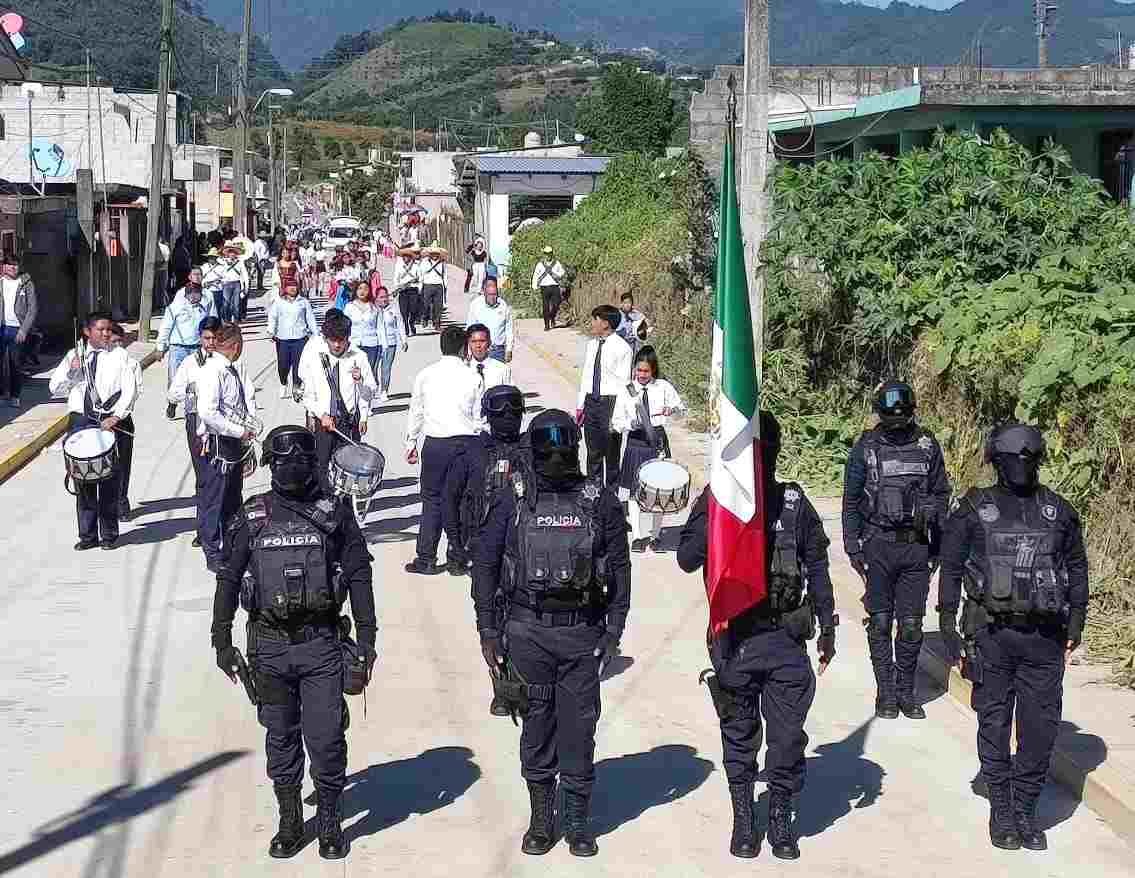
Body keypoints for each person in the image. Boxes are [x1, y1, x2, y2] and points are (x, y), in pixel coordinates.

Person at [211, 424, 377, 861]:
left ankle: (328, 822)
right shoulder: (253, 515)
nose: (293, 469)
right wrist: (220, 638)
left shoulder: (335, 513)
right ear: (269, 465)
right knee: (280, 737)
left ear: (315, 464)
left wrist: (368, 638)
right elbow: (229, 578)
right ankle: (289, 819)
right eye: (283, 462)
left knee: (325, 740)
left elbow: (359, 575)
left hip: (321, 643)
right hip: (269, 647)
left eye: (302, 461)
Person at [677, 411, 837, 860]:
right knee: (740, 736)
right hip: (735, 641)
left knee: (786, 740)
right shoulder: (718, 500)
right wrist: (716, 514)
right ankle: (744, 817)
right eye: (752, 453)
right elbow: (687, 559)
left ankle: (780, 815)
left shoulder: (793, 503)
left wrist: (828, 626)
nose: (760, 461)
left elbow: (820, 566)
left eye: (766, 452)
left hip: (785, 640)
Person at [473, 409, 631, 858]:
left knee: (580, 730)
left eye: (566, 451)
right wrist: (487, 628)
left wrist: (615, 627)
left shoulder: (598, 499)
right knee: (537, 728)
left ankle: (578, 820)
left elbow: (620, 566)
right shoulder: (513, 499)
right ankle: (542, 818)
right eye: (550, 452)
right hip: (527, 632)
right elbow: (485, 565)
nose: (558, 459)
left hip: (582, 633)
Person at [936, 423, 1087, 852]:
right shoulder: (973, 508)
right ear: (996, 462)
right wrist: (948, 625)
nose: (1021, 466)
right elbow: (950, 567)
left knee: (1040, 731)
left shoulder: (1059, 511)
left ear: (1038, 461)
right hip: (991, 636)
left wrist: (1076, 621)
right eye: (1012, 458)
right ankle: (1002, 809)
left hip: (1045, 638)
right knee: (994, 725)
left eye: (1028, 458)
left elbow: (1077, 568)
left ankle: (1024, 808)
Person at [842, 380, 951, 719]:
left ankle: (906, 692)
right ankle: (886, 693)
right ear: (880, 414)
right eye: (891, 417)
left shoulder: (927, 445)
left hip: (916, 548)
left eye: (902, 416)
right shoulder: (866, 447)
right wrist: (852, 545)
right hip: (878, 545)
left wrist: (937, 540)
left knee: (911, 625)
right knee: (880, 621)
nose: (897, 422)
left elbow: (942, 493)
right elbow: (852, 499)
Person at [446, 384, 534, 709]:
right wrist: (455, 543)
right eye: (502, 413)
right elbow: (449, 497)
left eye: (514, 413)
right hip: (483, 546)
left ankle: (522, 678)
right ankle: (501, 686)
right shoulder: (473, 451)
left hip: (526, 546)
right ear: (488, 416)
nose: (508, 419)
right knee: (489, 617)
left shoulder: (533, 448)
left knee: (523, 613)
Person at [49, 311, 139, 550]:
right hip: (81, 421)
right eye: (101, 329)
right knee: (83, 480)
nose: (106, 333)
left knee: (109, 479)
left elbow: (130, 390)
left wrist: (117, 416)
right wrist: (72, 372)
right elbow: (55, 388)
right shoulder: (74, 356)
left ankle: (109, 535)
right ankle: (87, 536)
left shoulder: (120, 356)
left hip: (109, 420)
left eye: (109, 329)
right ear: (87, 332)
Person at [404, 325, 480, 575]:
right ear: (463, 348)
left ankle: (426, 558)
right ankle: (458, 559)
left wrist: (411, 442)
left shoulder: (425, 375)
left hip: (436, 445)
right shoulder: (473, 377)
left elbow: (416, 411)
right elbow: (479, 418)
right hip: (466, 445)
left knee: (433, 500)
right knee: (462, 502)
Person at [196, 322, 257, 572]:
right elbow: (207, 412)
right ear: (235, 346)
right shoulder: (213, 371)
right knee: (215, 501)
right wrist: (237, 430)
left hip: (235, 443)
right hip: (219, 444)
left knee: (233, 500)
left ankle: (233, 547)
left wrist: (249, 425)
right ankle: (213, 552)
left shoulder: (231, 369)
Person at [612, 345, 685, 552]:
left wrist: (673, 410)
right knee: (635, 492)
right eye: (638, 370)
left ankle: (655, 536)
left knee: (659, 490)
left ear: (653, 370)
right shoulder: (627, 390)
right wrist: (630, 424)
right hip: (636, 441)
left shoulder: (663, 387)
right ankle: (637, 536)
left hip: (657, 441)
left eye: (646, 371)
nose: (641, 375)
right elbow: (616, 422)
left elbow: (681, 413)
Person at [298, 310, 377, 496]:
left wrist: (363, 414)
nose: (336, 344)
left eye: (340, 340)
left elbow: (369, 390)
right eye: (331, 340)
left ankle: (346, 508)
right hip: (324, 421)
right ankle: (326, 503)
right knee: (322, 465)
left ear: (348, 338)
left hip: (349, 422)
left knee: (350, 468)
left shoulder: (359, 357)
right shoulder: (316, 357)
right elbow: (307, 395)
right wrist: (320, 414)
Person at [168, 317, 221, 548]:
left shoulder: (226, 361)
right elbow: (173, 394)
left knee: (222, 477)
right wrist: (192, 389)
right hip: (197, 420)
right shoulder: (190, 363)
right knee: (205, 477)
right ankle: (205, 528)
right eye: (206, 338)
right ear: (200, 338)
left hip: (222, 423)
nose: (210, 343)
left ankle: (221, 526)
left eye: (214, 338)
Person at [576, 305, 632, 486]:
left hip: (611, 403)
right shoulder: (592, 345)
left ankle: (611, 495)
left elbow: (624, 384)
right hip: (592, 401)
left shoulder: (622, 348)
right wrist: (580, 404)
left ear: (606, 323)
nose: (592, 323)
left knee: (611, 454)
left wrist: (618, 416)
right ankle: (593, 492)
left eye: (595, 319)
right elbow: (586, 375)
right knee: (593, 452)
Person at [158, 268, 217, 410]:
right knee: (175, 378)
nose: (195, 298)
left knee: (197, 378)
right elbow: (166, 327)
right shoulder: (175, 307)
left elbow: (213, 320)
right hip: (178, 348)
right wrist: (160, 347)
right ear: (187, 295)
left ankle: (192, 408)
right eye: (192, 295)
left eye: (198, 295)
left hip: (197, 347)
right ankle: (172, 403)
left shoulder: (206, 302)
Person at [109, 323, 142, 521]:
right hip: (101, 422)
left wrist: (118, 415)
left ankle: (122, 502)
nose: (117, 346)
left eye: (119, 341)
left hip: (122, 422)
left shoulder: (132, 365)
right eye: (113, 342)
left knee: (122, 464)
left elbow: (134, 394)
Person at [267, 282, 318, 400]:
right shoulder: (278, 302)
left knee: (298, 365)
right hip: (283, 339)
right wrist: (271, 331)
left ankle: (297, 386)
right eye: (290, 286)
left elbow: (310, 319)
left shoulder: (303, 302)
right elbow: (273, 317)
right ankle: (283, 383)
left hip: (300, 338)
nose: (293, 289)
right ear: (285, 288)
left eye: (295, 286)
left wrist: (316, 334)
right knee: (283, 365)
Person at [0, 252, 36, 407]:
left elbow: (32, 308)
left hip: (17, 329)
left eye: (16, 265)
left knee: (15, 363)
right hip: (2, 327)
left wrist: (24, 330)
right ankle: (2, 394)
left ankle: (15, 395)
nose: (13, 268)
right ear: (4, 267)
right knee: (1, 363)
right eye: (10, 265)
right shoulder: (0, 282)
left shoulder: (26, 283)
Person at [344, 281, 382, 410]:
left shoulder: (374, 308)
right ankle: (352, 402)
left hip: (371, 344)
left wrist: (384, 346)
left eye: (365, 289)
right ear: (355, 291)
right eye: (360, 288)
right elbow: (344, 326)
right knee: (353, 373)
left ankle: (367, 404)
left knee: (368, 374)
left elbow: (380, 328)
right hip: (354, 344)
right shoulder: (349, 307)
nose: (362, 291)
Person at [466, 323, 511, 428]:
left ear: (489, 343)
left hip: (494, 427)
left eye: (482, 341)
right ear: (468, 343)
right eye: (474, 341)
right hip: (469, 428)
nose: (478, 346)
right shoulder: (463, 369)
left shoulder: (502, 369)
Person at [465, 277, 514, 363]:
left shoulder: (503, 306)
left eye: (494, 294)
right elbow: (469, 328)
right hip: (479, 350)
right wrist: (468, 351)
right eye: (489, 295)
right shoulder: (475, 305)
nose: (492, 298)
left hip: (497, 350)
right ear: (484, 292)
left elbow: (509, 329)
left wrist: (509, 349)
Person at [373, 287, 406, 404]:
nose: (384, 299)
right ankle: (374, 388)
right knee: (373, 368)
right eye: (381, 297)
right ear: (376, 298)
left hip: (391, 343)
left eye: (386, 296)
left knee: (386, 368)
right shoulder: (372, 309)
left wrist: (404, 340)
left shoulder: (393, 309)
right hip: (376, 343)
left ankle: (384, 391)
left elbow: (400, 324)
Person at [205, 244, 249, 323]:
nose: (232, 254)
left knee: (236, 304)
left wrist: (246, 288)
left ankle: (235, 321)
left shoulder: (240, 263)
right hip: (226, 284)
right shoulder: (223, 262)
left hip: (236, 284)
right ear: (227, 254)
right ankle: (227, 321)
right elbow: (217, 260)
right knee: (226, 304)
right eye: (230, 252)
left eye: (233, 252)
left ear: (236, 254)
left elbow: (245, 275)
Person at [532, 245, 566, 332]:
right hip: (544, 287)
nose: (547, 255)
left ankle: (552, 316)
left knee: (557, 303)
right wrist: (534, 285)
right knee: (545, 306)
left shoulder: (556, 263)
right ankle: (547, 325)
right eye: (546, 254)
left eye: (549, 253)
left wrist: (557, 275)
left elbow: (562, 272)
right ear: (544, 254)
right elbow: (535, 275)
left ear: (552, 254)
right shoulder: (540, 264)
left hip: (554, 286)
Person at [392, 245, 422, 336]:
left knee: (413, 310)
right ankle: (406, 328)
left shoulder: (416, 266)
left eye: (407, 256)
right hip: (403, 291)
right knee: (404, 311)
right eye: (404, 256)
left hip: (413, 290)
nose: (405, 258)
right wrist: (397, 287)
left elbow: (421, 279)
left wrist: (419, 290)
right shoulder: (399, 267)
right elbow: (396, 279)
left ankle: (411, 323)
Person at [419, 243, 448, 332]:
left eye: (436, 253)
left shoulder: (442, 263)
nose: (435, 255)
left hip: (438, 285)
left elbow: (445, 275)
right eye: (433, 253)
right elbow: (421, 274)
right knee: (426, 304)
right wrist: (420, 286)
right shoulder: (424, 262)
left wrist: (445, 286)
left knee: (438, 306)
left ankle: (437, 323)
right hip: (427, 284)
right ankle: (425, 318)